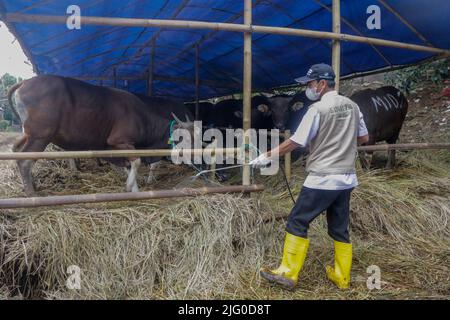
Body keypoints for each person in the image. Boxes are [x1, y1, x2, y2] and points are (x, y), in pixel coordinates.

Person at [250, 63, 369, 290]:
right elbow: (363, 139)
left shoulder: (317, 110)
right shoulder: (353, 106)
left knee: (297, 221)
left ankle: (288, 273)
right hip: (346, 179)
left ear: (322, 84)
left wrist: (267, 156)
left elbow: (296, 141)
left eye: (310, 83)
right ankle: (342, 277)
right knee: (339, 227)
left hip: (323, 178)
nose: (308, 87)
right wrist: (341, 141)